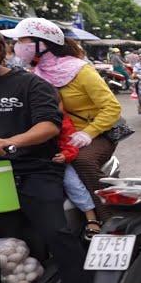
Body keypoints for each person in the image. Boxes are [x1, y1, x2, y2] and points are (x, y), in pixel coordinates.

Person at [0, 19, 92, 283]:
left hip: (33, 170)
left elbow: (49, 125)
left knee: (57, 232)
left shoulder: (29, 83)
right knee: (3, 242)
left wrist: (9, 141)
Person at [2, 19, 122, 224]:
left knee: (82, 161)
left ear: (42, 44)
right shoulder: (35, 75)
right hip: (56, 135)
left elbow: (112, 108)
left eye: (23, 40)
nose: (17, 46)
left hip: (96, 134)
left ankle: (111, 220)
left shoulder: (80, 70)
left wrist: (87, 133)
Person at [53, 102, 102, 240]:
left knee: (72, 183)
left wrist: (64, 155)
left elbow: (71, 144)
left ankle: (91, 217)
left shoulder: (62, 121)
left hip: (59, 160)